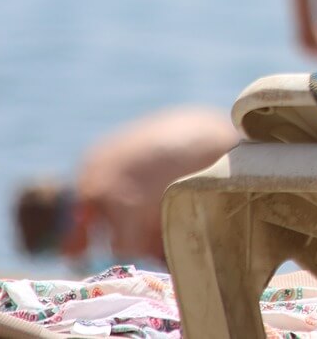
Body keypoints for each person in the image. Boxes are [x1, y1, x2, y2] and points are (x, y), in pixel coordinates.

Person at [14, 106, 238, 270]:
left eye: (53, 248)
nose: (65, 256)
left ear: (69, 220)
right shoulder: (94, 167)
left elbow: (129, 267)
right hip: (226, 144)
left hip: (231, 165)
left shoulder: (110, 191)